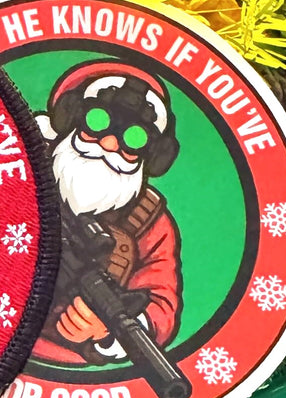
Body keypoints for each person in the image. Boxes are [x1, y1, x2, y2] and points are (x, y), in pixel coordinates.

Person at [33, 59, 182, 366]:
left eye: (134, 139)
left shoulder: (150, 221)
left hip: (61, 360)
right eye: (98, 121)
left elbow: (161, 303)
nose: (110, 143)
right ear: (72, 116)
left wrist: (103, 332)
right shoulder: (21, 164)